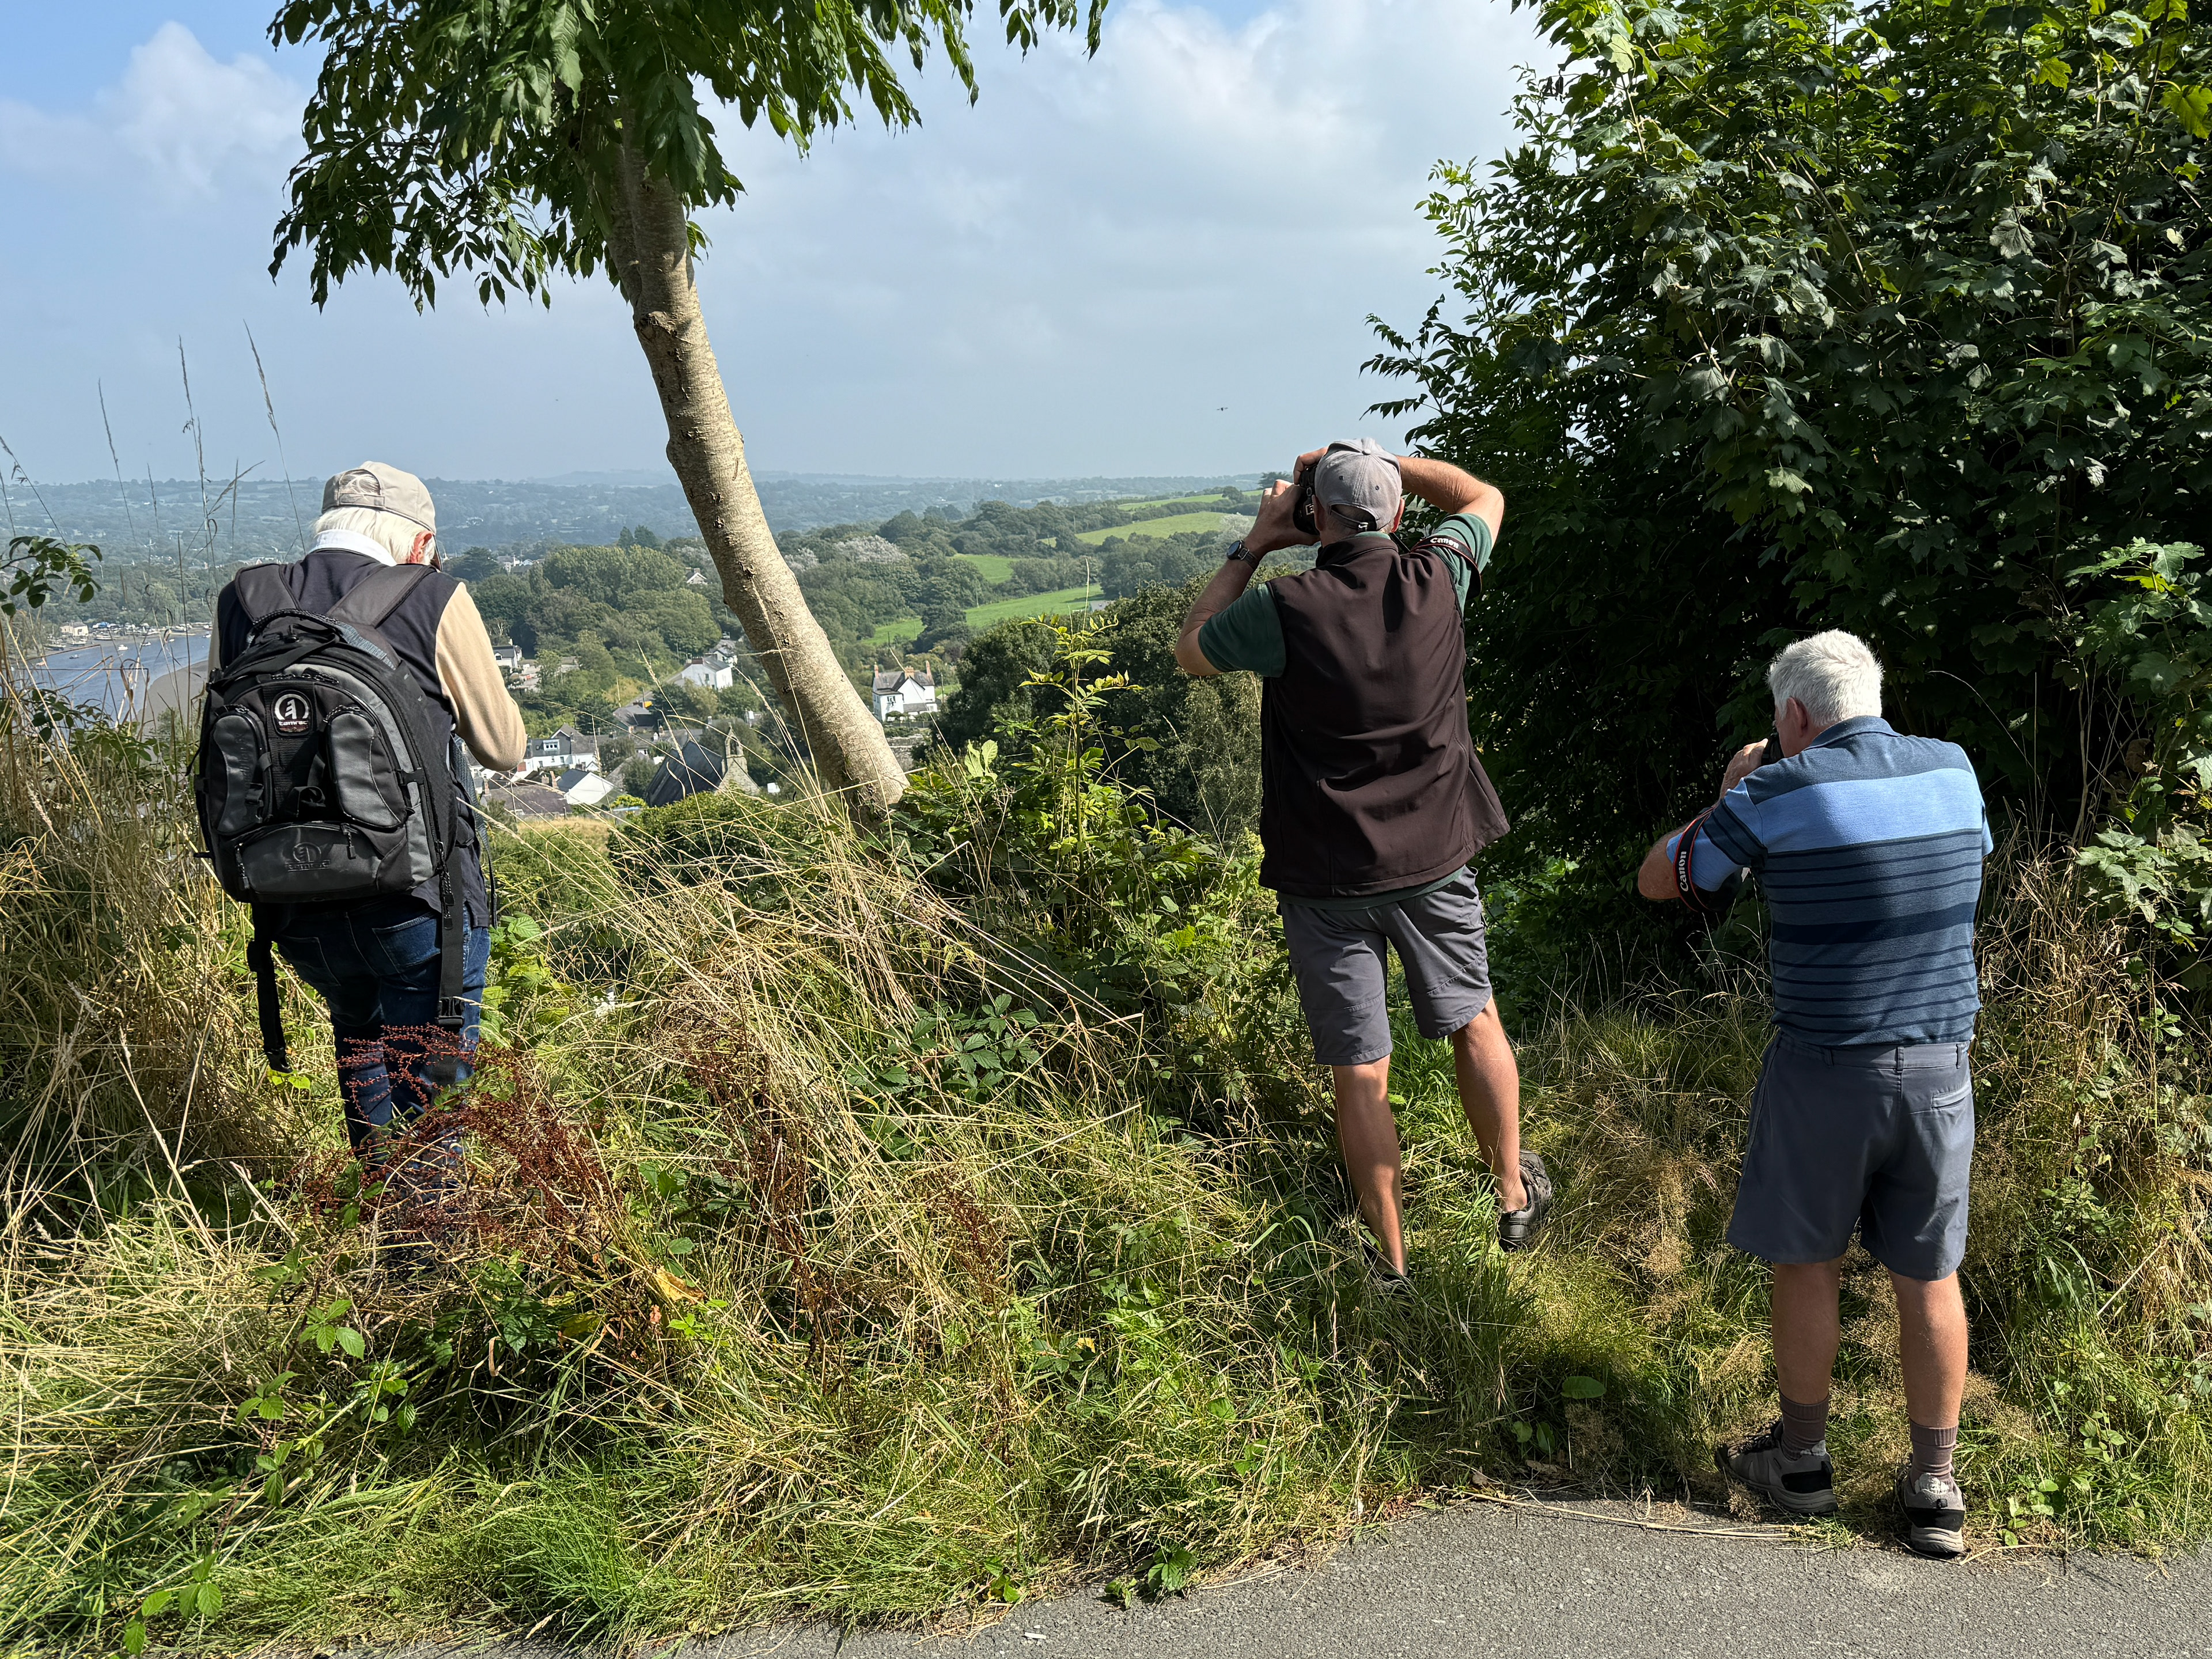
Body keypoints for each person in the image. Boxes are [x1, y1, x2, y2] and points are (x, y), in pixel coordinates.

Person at [1636, 630, 1989, 1559]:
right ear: (1870, 694)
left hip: (1827, 1063)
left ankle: (1802, 1462)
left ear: (1794, 715)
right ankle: (1935, 1487)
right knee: (1929, 1273)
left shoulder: (1776, 790)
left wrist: (1729, 797)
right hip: (1944, 1061)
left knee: (1809, 1262)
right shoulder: (1954, 769)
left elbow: (1661, 880)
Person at [1175, 440, 1549, 1282]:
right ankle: (1513, 1198)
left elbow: (1191, 648)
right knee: (1475, 1019)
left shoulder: (1284, 608)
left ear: (1315, 522)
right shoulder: (1438, 577)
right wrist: (1388, 461)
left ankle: (1392, 1261)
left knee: (1360, 1069)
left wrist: (1257, 543)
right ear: (1399, 515)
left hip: (1326, 876)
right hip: (1434, 858)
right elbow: (1484, 491)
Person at [210, 463, 525, 1172]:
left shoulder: (244, 600)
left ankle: (379, 1218)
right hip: (416, 902)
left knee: (361, 1045)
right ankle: (426, 1261)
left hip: (292, 904)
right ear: (420, 546)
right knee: (433, 1098)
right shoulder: (433, 597)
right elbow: (505, 748)